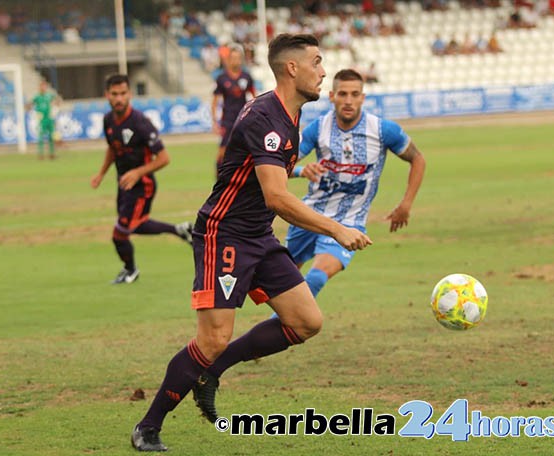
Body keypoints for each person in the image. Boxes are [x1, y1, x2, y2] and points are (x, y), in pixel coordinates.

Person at [130, 34, 371, 452]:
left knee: (306, 321)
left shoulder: (287, 115)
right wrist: (336, 229)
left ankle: (214, 370)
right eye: (316, 62)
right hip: (224, 234)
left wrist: (297, 173)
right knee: (212, 338)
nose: (323, 71)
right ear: (292, 68)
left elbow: (256, 172)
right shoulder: (266, 116)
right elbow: (276, 197)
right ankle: (148, 427)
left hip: (258, 234)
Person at [284, 68, 425, 302]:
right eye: (342, 94)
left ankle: (278, 332)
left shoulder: (382, 130)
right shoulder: (318, 128)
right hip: (309, 215)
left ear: (363, 98)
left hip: (349, 221)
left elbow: (417, 159)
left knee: (316, 277)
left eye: (354, 94)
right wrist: (301, 170)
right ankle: (277, 330)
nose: (348, 101)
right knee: (282, 283)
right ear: (332, 96)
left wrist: (406, 204)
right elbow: (276, 164)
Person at [90, 74, 193, 285]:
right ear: (107, 95)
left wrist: (138, 172)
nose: (119, 98)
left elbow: (164, 158)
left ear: (129, 94)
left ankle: (130, 271)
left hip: (142, 186)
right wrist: (101, 173)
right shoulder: (108, 120)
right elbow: (113, 147)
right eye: (114, 94)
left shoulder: (140, 123)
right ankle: (179, 230)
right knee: (136, 226)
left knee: (119, 233)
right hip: (124, 185)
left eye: (123, 94)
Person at [211, 44, 256, 175]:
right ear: (229, 59)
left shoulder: (246, 77)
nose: (235, 61)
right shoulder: (222, 78)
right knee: (222, 151)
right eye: (233, 58)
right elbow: (214, 102)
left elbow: (255, 98)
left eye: (238, 58)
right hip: (228, 120)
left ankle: (246, 178)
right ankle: (219, 181)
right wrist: (214, 122)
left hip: (243, 119)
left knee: (249, 149)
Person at [27, 81, 58, 160]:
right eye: (42, 86)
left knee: (51, 137)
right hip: (42, 120)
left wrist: (55, 108)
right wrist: (31, 110)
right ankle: (40, 154)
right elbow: (30, 104)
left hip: (49, 118)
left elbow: (57, 100)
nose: (43, 88)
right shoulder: (37, 97)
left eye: (45, 86)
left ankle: (52, 154)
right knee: (41, 137)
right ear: (39, 87)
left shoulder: (49, 95)